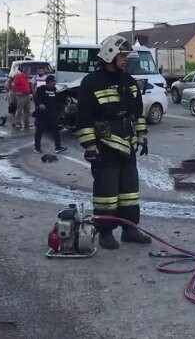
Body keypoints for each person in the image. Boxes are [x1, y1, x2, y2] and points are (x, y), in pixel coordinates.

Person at [76, 35, 151, 249]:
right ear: (110, 55)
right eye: (123, 55)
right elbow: (84, 117)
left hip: (127, 145)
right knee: (106, 192)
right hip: (105, 146)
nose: (125, 59)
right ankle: (105, 232)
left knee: (130, 190)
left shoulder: (128, 81)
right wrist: (90, 145)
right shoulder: (91, 82)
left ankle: (129, 228)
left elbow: (137, 112)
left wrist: (142, 135)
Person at [33, 75, 66, 154]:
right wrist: (40, 104)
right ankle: (37, 147)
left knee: (56, 130)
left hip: (52, 114)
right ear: (50, 81)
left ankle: (58, 147)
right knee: (39, 130)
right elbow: (36, 98)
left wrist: (60, 110)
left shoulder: (54, 90)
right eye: (54, 81)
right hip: (42, 114)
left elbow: (57, 101)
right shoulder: (41, 89)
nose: (55, 83)